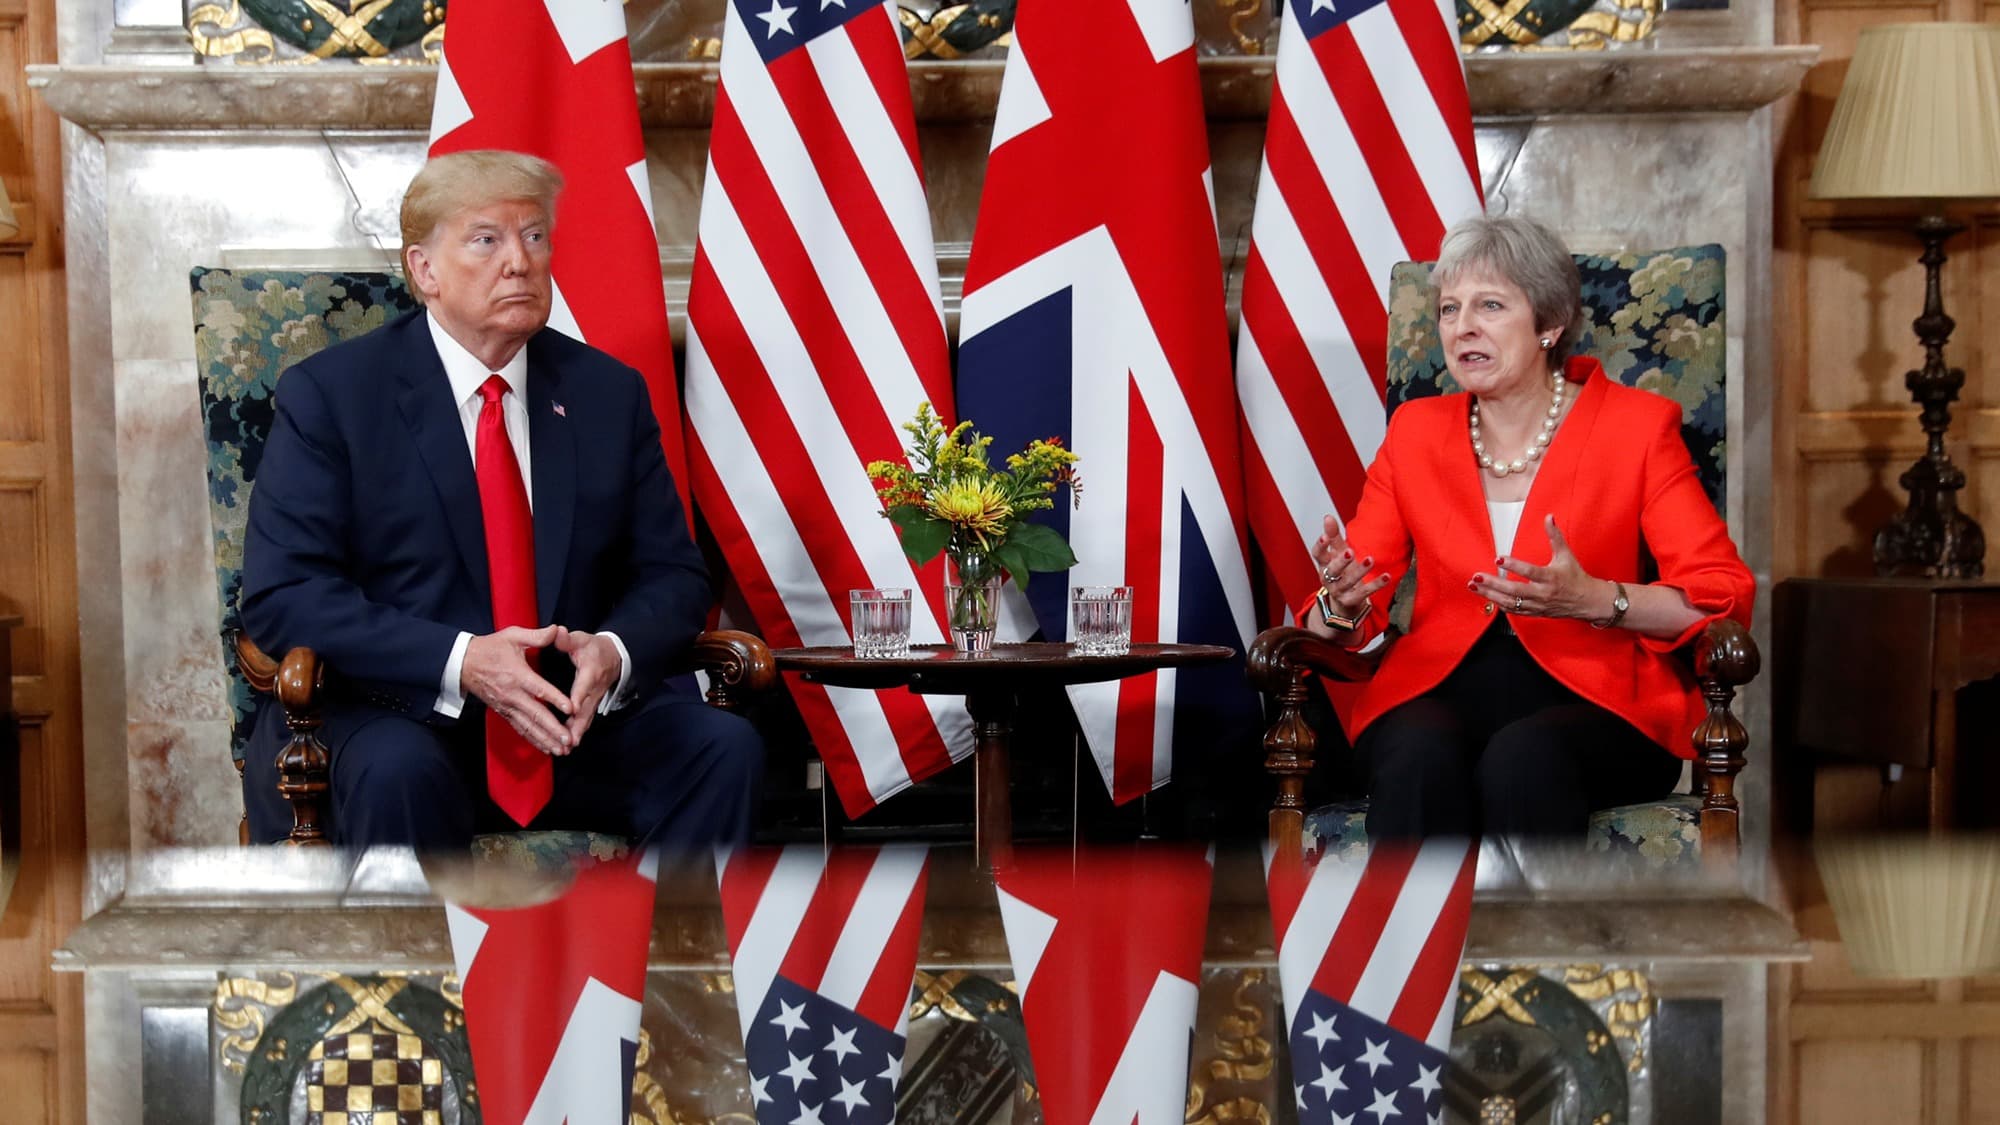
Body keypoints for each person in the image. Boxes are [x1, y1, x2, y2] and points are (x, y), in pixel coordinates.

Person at [239, 150, 763, 851]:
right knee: (399, 772)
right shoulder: (334, 396)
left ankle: (669, 931)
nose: (519, 261)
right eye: (486, 239)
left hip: (570, 723)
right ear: (425, 269)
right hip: (401, 713)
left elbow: (672, 574)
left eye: (534, 235)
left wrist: (612, 651)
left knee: (721, 751)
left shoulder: (607, 394)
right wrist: (462, 660)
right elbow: (285, 595)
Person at [1305, 214, 1753, 840]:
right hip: (1440, 687)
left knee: (1524, 762)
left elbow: (1721, 594)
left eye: (1490, 305)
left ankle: (1531, 913)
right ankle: (1414, 911)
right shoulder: (1415, 432)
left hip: (1598, 700)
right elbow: (1351, 606)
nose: (1463, 327)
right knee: (1416, 759)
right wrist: (1341, 603)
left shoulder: (1637, 428)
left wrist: (1597, 599)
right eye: (1450, 309)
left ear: (1550, 323)